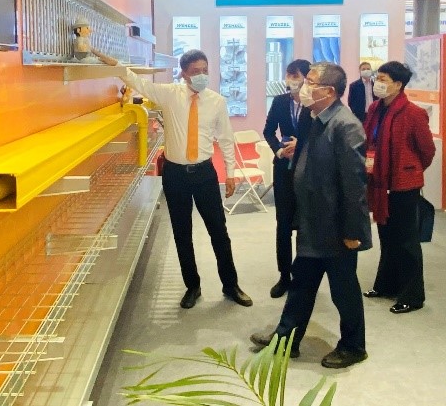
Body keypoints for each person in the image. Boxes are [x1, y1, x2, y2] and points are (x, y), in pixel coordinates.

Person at [92, 47, 252, 309]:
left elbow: (225, 139)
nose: (202, 75)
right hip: (175, 174)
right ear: (184, 73)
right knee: (181, 232)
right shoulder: (168, 94)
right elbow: (136, 81)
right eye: (196, 71)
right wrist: (114, 64)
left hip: (204, 174)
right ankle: (192, 286)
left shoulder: (217, 102)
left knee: (219, 231)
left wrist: (231, 174)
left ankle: (231, 285)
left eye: (205, 70)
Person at [250, 62, 371, 369]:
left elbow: (354, 185)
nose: (304, 86)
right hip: (312, 220)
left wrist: (353, 231)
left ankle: (354, 346)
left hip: (336, 226)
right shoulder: (315, 118)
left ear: (328, 91)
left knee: (343, 290)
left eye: (311, 82)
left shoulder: (346, 126)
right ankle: (286, 339)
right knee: (301, 283)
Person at [361, 61, 435, 313]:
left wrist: (409, 169)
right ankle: (386, 285)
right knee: (386, 236)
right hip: (380, 182)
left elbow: (427, 151)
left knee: (406, 240)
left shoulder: (413, 113)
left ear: (398, 84)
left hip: (404, 184)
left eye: (383, 79)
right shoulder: (375, 109)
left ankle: (412, 295)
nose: (377, 83)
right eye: (377, 78)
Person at [262, 59, 314, 298]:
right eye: (289, 75)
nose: (291, 80)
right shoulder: (280, 101)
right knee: (283, 225)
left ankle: (303, 276)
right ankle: (284, 276)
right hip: (283, 169)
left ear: (306, 79)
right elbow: (268, 131)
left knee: (305, 224)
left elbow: (321, 135)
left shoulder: (314, 104)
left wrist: (300, 145)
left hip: (308, 170)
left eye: (296, 76)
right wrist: (279, 150)